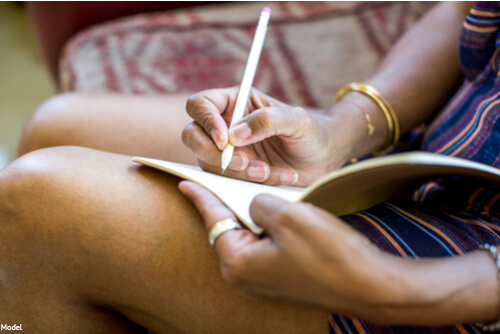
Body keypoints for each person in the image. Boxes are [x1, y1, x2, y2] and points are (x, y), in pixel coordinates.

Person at [1, 1, 498, 333]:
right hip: (435, 159)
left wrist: (409, 291)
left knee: (33, 203)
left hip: (471, 271)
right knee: (57, 124)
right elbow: (461, 7)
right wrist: (343, 127)